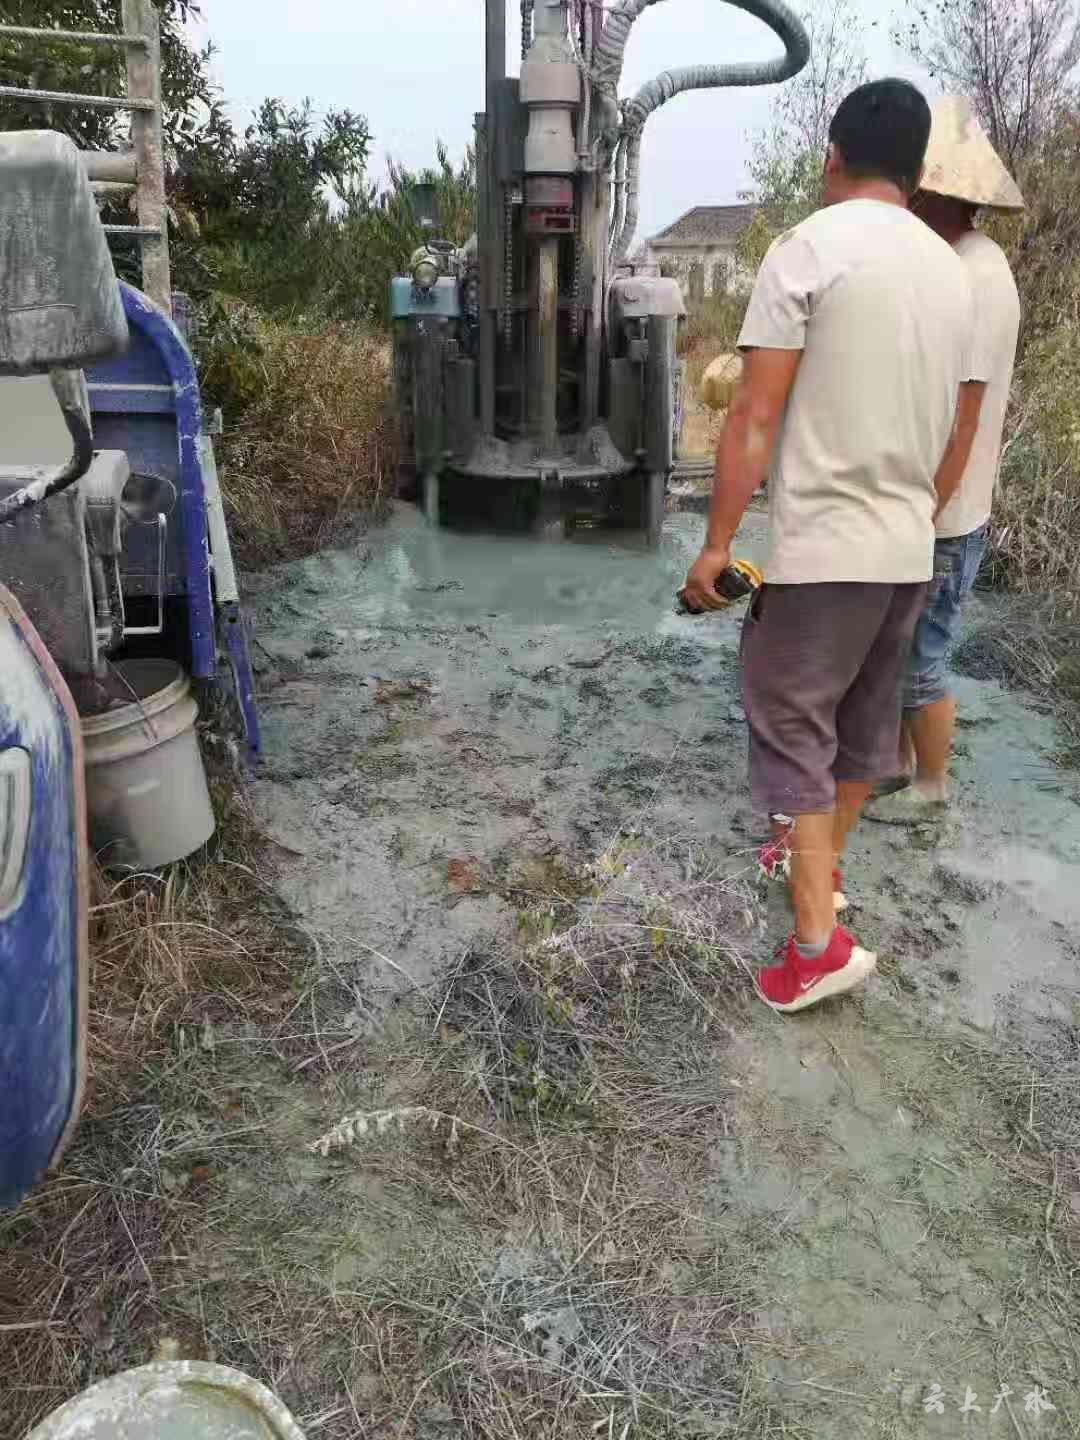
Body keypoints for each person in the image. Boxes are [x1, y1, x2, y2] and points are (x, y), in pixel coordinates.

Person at [681, 79, 973, 1014]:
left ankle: (815, 948)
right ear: (918, 171)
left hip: (824, 553)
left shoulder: (808, 249)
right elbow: (959, 431)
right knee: (858, 732)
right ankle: (823, 876)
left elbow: (753, 416)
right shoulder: (949, 272)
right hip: (906, 550)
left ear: (832, 156)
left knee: (793, 729)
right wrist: (918, 514)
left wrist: (716, 545)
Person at [864, 96, 1024, 824]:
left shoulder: (978, 278)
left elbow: (964, 417)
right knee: (899, 650)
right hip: (934, 502)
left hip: (948, 514)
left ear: (933, 196)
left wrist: (923, 516)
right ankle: (898, 766)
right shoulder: (956, 263)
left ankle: (931, 786)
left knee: (922, 657)